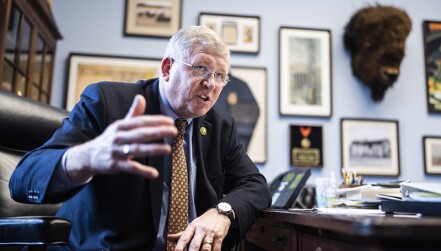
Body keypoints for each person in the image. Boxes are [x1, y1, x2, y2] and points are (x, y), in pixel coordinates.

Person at [9, 26, 271, 251]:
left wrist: (222, 212)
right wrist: (88, 157)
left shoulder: (219, 125)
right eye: (201, 68)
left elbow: (255, 183)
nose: (211, 84)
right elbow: (23, 179)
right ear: (167, 68)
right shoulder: (109, 103)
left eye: (220, 75)